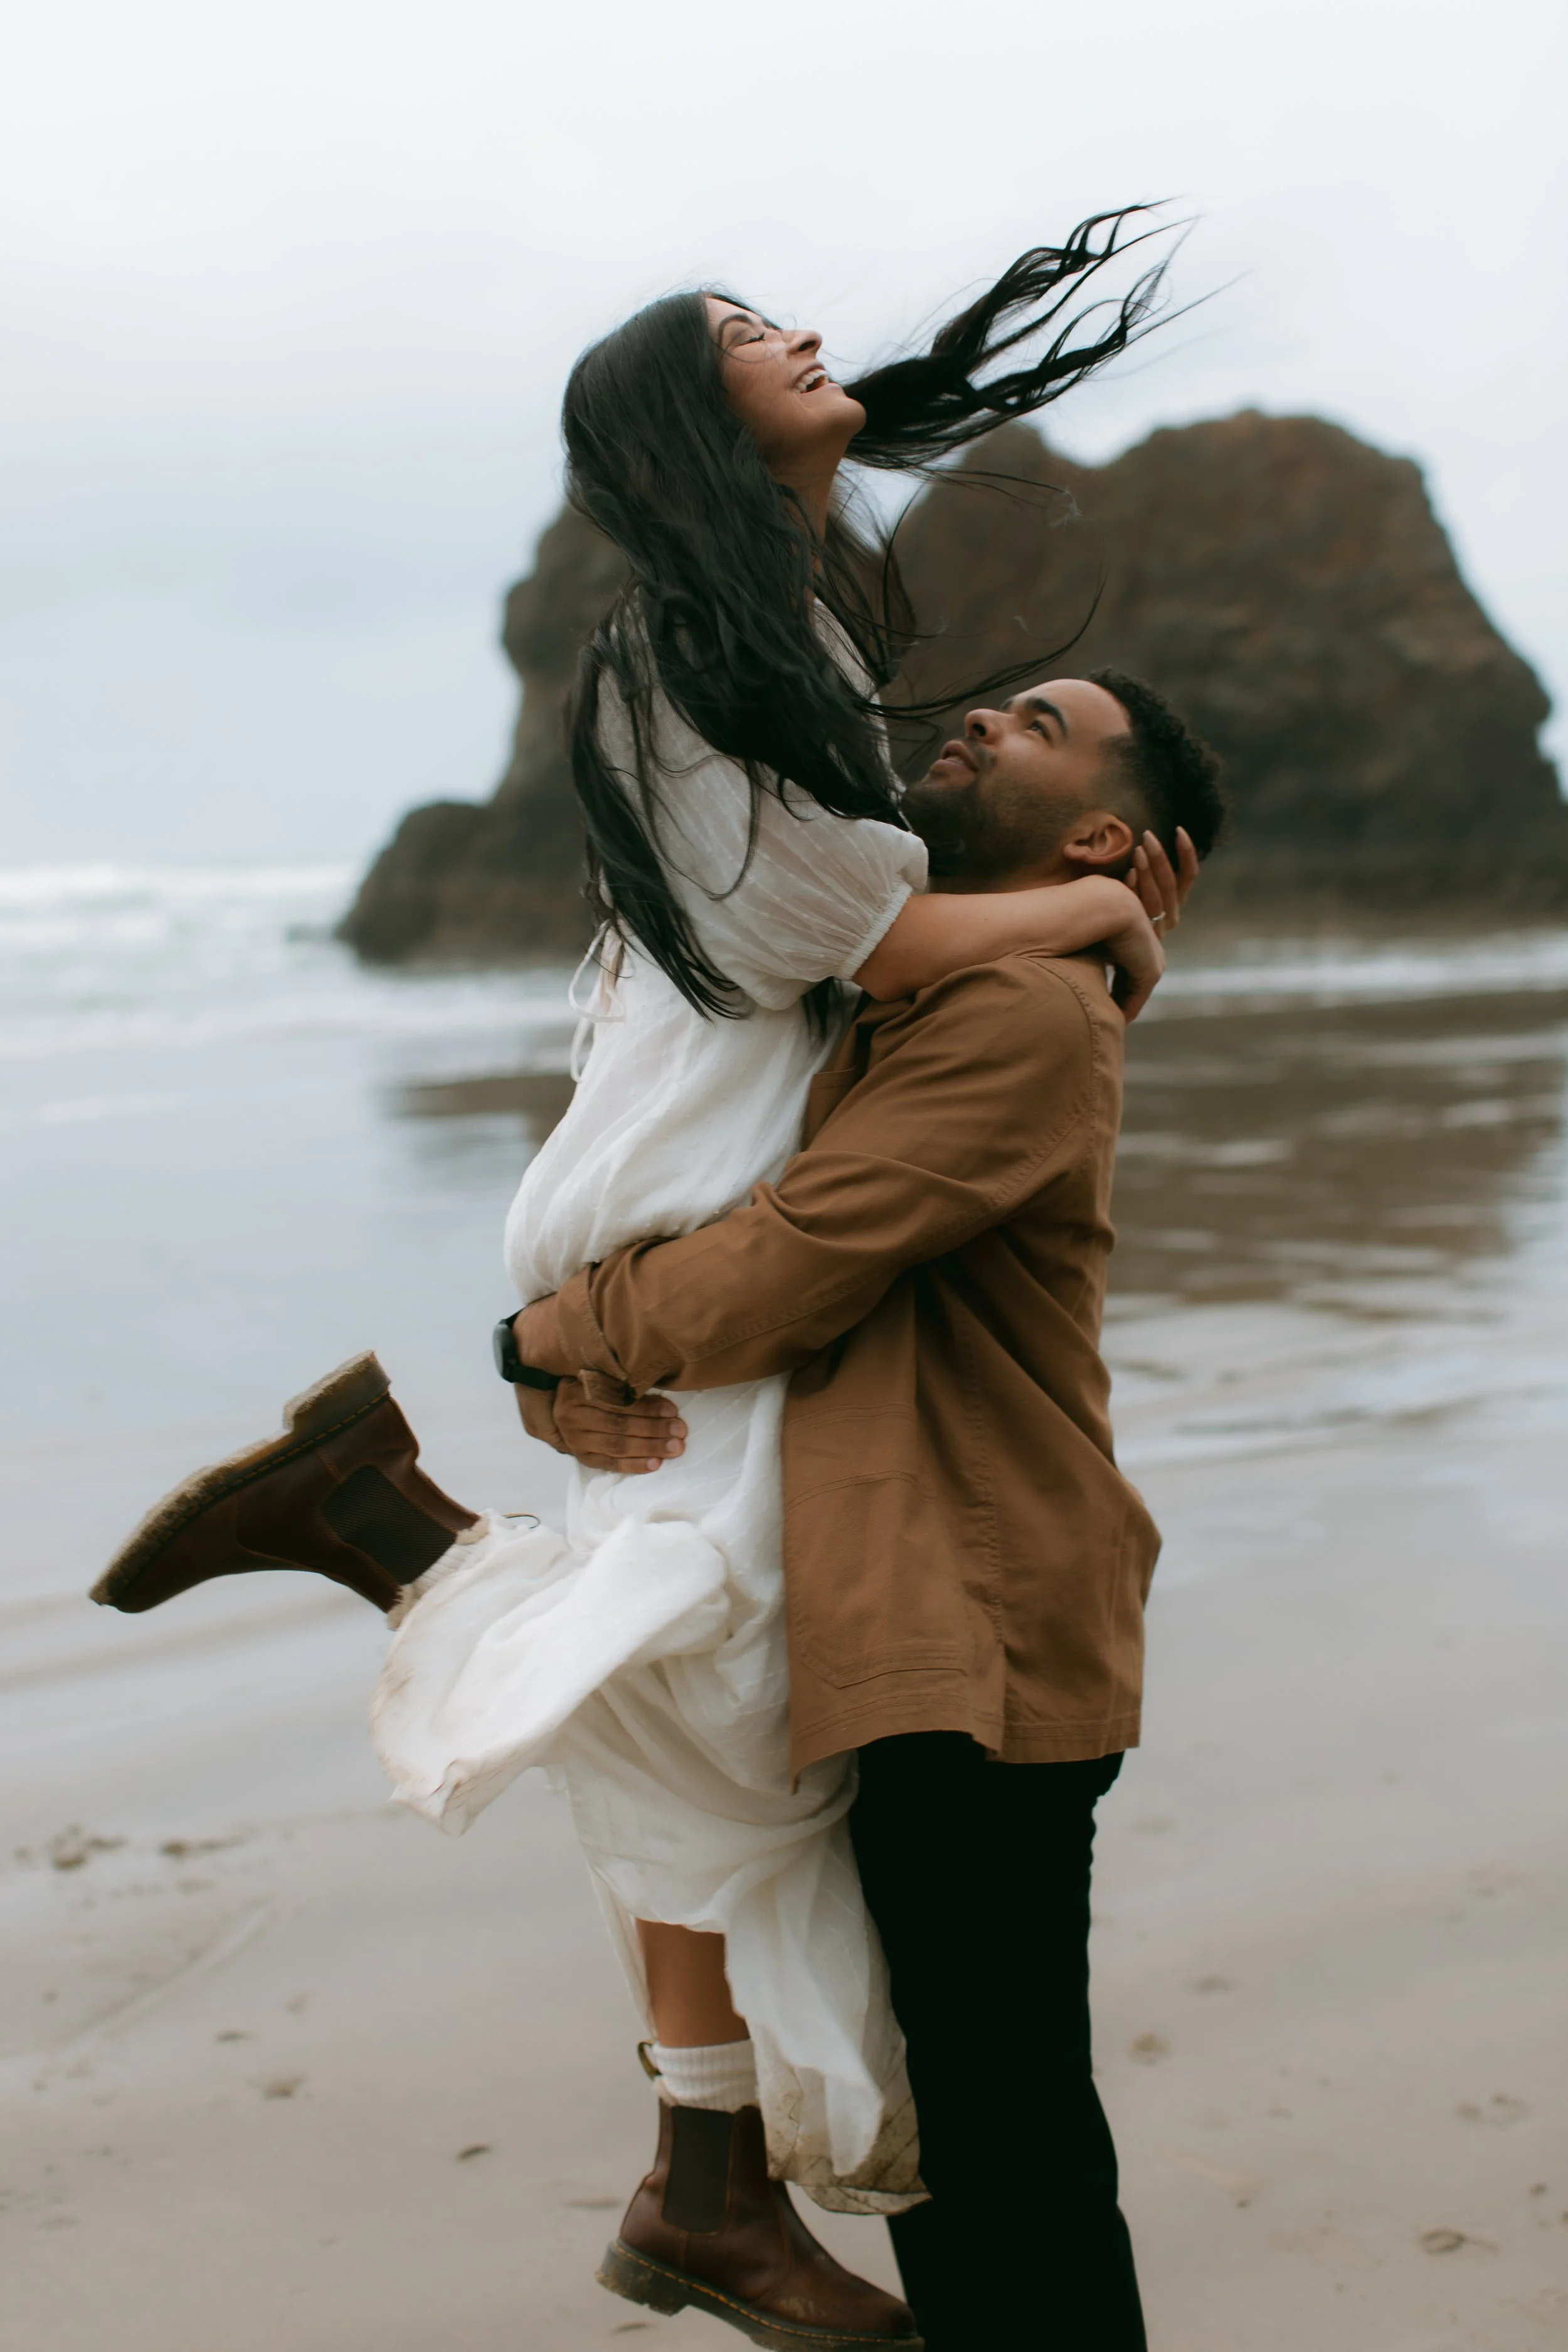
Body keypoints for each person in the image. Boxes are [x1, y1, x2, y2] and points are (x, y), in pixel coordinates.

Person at [91, 213, 1192, 2349]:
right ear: (688, 429)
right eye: (729, 331)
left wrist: (550, 1333)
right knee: (710, 1685)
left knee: (701, 1683)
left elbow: (848, 1085)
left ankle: (692, 2150)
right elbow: (866, 970)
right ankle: (690, 2155)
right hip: (676, 1201)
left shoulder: (771, 644)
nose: (786, 319)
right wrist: (1099, 932)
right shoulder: (726, 645)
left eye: (1037, 727)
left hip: (707, 1251)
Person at [509, 667, 1227, 2349]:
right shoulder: (909, 1000)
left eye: (1036, 725)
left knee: (1001, 2132)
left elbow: (786, 1266)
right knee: (967, 2124)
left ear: (1103, 833)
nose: (977, 722)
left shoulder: (1020, 1014)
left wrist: (540, 1330)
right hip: (915, 1610)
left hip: (972, 1623)